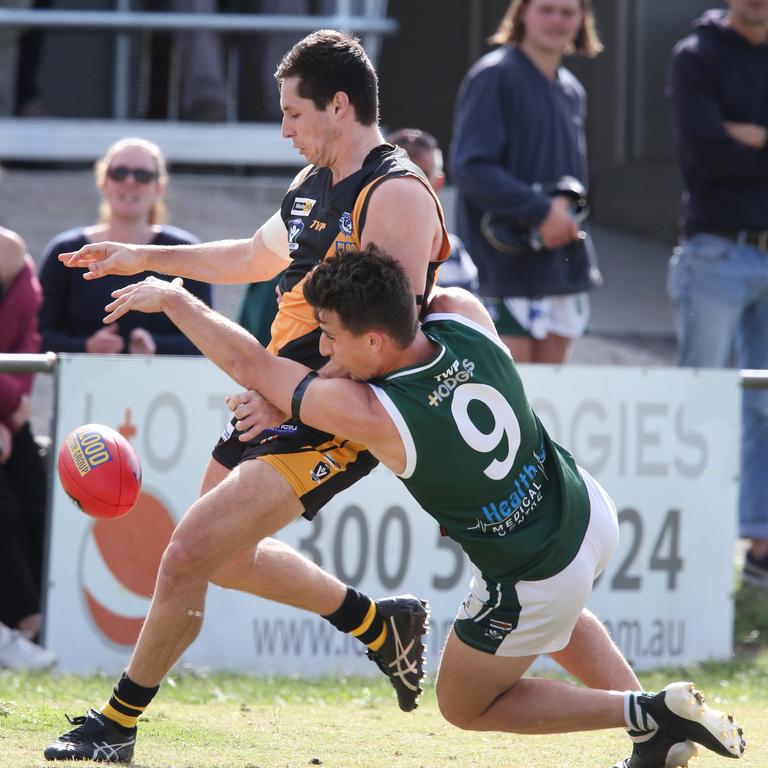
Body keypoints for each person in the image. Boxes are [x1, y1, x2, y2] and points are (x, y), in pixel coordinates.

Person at [94, 245, 746, 768]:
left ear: (375, 342)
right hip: (583, 506)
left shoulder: (372, 413)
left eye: (329, 336)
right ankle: (657, 741)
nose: (322, 352)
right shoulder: (461, 310)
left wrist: (176, 297)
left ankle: (646, 713)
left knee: (466, 705)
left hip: (532, 570)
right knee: (560, 624)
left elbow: (252, 366)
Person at [44, 30, 449, 762]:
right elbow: (246, 257)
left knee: (187, 553)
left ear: (339, 105)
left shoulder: (395, 192)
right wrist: (140, 254)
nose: (284, 129)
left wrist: (296, 397)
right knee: (223, 558)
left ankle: (117, 724)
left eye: (294, 114)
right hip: (281, 390)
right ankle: (378, 625)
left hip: (328, 408)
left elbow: (385, 340)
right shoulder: (312, 185)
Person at [667, 0, 768, 589]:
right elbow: (703, 153)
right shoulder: (696, 56)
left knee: (764, 406)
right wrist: (735, 141)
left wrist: (753, 137)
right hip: (715, 249)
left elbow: (726, 149)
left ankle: (758, 551)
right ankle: (687, 550)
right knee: (697, 400)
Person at [449, 0, 602, 364]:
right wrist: (539, 211)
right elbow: (471, 168)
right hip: (501, 270)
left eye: (567, 12)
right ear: (522, 13)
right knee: (513, 400)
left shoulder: (572, 91)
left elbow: (572, 178)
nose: (556, 20)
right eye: (546, 9)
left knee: (550, 404)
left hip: (557, 268)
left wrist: (563, 211)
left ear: (582, 19)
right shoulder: (493, 75)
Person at [38, 138, 212, 356]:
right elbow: (37, 335)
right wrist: (85, 348)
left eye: (142, 175)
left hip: (164, 388)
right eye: (119, 173)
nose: (129, 181)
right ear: (103, 182)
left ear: (159, 187)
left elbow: (209, 338)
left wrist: (156, 346)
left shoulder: (185, 250)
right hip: (81, 386)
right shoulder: (67, 251)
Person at [0, 224, 56, 672]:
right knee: (3, 509)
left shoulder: (12, 248)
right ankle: (20, 621)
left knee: (38, 498)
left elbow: (29, 337)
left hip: (7, 410)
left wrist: (12, 407)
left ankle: (38, 626)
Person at [387, 127, 479, 293]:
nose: (410, 184)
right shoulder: (352, 240)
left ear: (438, 184)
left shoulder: (455, 253)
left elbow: (471, 314)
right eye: (399, 173)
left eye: (421, 175)